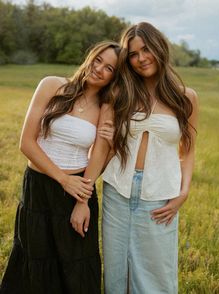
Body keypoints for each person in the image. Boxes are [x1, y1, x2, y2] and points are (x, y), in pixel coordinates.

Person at [72, 22, 198, 294]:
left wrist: (184, 191)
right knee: (117, 276)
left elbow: (188, 150)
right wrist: (83, 196)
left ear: (159, 48)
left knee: (157, 278)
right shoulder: (120, 93)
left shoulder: (186, 98)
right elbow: (103, 148)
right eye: (133, 53)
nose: (141, 58)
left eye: (146, 49)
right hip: (118, 192)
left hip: (159, 196)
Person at [0, 40, 120, 294]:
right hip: (39, 187)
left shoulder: (106, 107)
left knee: (75, 266)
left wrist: (82, 201)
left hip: (78, 190)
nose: (99, 69)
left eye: (109, 68)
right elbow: (26, 143)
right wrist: (63, 179)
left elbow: (98, 155)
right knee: (34, 261)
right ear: (90, 57)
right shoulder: (52, 85)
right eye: (98, 60)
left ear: (114, 77)